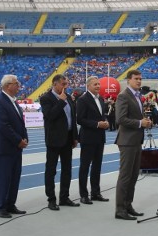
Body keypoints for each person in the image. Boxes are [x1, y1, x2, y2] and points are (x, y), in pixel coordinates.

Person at [114, 69, 153, 220]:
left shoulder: (138, 96)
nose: (139, 81)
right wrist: (139, 123)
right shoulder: (123, 96)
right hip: (127, 141)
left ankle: (128, 204)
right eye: (136, 78)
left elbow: (137, 117)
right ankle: (120, 209)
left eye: (140, 79)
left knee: (134, 175)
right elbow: (120, 119)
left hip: (136, 140)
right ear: (128, 80)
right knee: (125, 176)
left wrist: (146, 122)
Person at [0, 75, 28, 218]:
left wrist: (24, 138)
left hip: (15, 148)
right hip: (3, 149)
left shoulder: (13, 102)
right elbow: (2, 126)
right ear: (7, 86)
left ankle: (10, 204)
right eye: (16, 83)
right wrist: (18, 140)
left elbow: (20, 124)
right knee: (3, 179)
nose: (19, 85)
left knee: (14, 178)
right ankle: (0, 207)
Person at [39, 74, 79, 211]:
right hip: (54, 140)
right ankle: (51, 199)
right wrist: (61, 101)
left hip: (68, 138)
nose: (65, 86)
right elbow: (50, 116)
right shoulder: (46, 98)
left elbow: (72, 118)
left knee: (67, 170)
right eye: (63, 84)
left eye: (66, 84)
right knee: (51, 171)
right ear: (54, 84)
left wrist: (75, 137)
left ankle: (64, 197)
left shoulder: (68, 97)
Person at [77, 76, 110, 205]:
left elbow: (102, 116)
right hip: (88, 137)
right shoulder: (83, 100)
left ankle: (95, 192)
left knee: (97, 166)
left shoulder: (101, 99)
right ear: (88, 86)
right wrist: (97, 124)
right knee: (85, 167)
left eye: (98, 84)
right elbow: (80, 119)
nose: (98, 86)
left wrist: (105, 122)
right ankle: (83, 195)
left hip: (100, 137)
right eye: (95, 84)